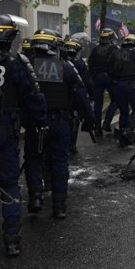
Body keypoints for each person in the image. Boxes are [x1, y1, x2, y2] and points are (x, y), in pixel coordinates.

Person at [0, 14, 46, 257]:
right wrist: (38, 123)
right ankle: (12, 239)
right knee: (8, 186)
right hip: (5, 131)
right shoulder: (18, 62)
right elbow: (33, 98)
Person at [23, 29, 95, 219]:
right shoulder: (65, 67)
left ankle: (36, 198)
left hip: (35, 123)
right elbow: (81, 94)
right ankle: (59, 206)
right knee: (60, 163)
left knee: (34, 160)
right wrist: (90, 119)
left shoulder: (25, 66)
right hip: (59, 122)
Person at [62, 38, 94, 154]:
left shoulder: (59, 62)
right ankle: (71, 146)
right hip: (75, 97)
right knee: (74, 120)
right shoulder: (79, 64)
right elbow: (86, 81)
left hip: (62, 98)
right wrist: (91, 94)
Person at [88, 28, 119, 137]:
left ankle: (97, 128)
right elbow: (118, 64)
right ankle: (107, 122)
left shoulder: (95, 49)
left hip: (97, 77)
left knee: (98, 103)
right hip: (110, 77)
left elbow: (90, 64)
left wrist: (92, 76)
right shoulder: (114, 49)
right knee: (116, 100)